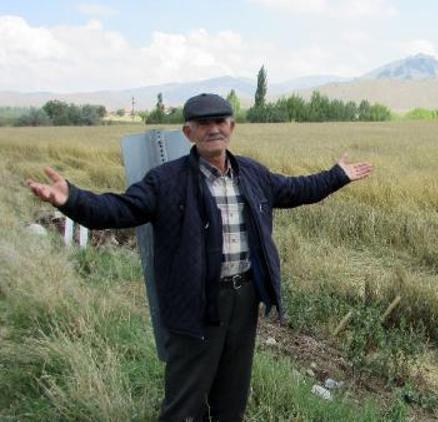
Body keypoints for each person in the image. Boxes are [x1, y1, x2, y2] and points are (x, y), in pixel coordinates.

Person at [26, 93, 373, 421]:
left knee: (232, 396)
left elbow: (296, 189)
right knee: (185, 399)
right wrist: (72, 200)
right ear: (188, 132)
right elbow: (119, 209)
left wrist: (335, 176)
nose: (213, 129)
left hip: (244, 296)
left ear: (232, 127)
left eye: (221, 120)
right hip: (194, 301)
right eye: (203, 123)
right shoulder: (166, 181)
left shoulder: (253, 173)